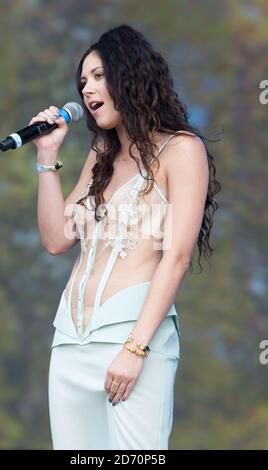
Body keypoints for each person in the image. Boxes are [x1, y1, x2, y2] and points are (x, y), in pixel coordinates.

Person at [29, 24, 221, 450]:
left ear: (129, 76)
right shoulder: (101, 155)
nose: (87, 90)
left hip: (134, 339)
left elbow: (177, 258)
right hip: (70, 342)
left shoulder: (181, 150)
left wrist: (135, 350)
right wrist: (47, 158)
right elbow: (57, 239)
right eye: (82, 82)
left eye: (98, 76)